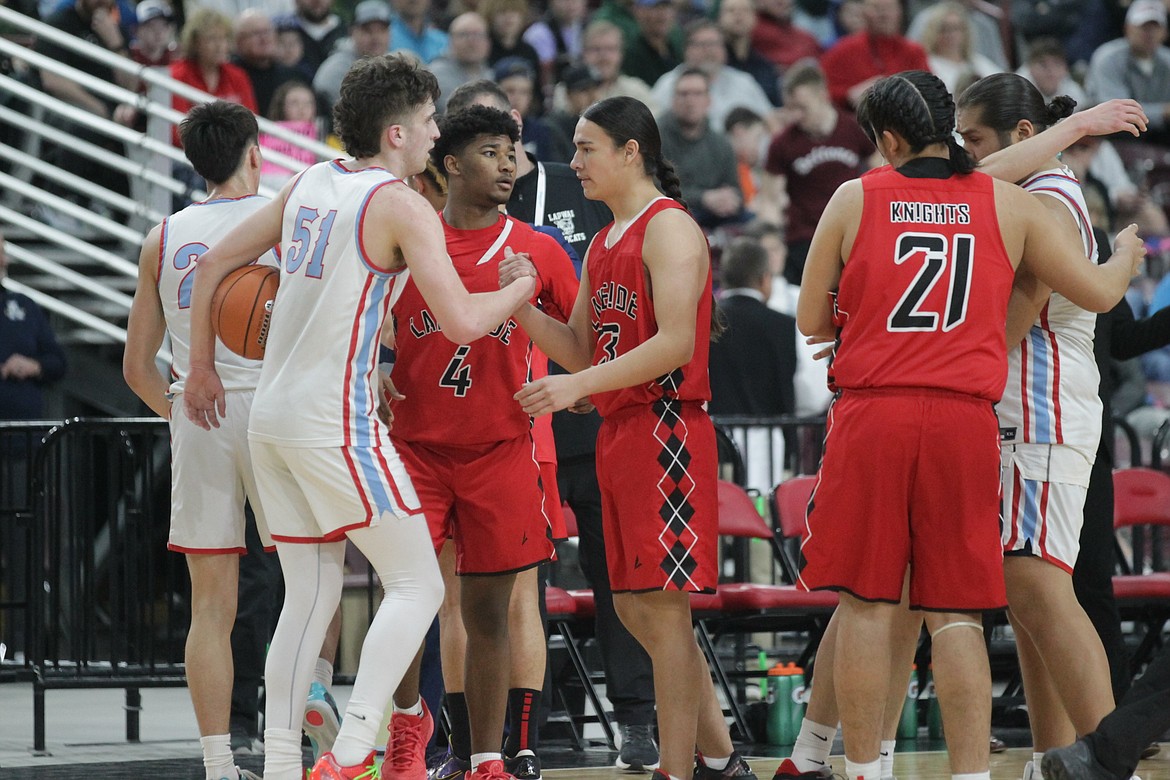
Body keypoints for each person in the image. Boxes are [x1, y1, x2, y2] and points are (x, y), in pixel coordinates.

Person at [181, 54, 535, 780]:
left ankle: (284, 764)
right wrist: (522, 288)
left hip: (270, 418)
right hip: (332, 422)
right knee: (420, 586)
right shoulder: (400, 204)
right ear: (399, 132)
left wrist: (203, 367)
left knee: (307, 598)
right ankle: (352, 753)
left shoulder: (310, 176)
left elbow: (213, 265)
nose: (439, 134)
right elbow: (464, 321)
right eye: (433, 121)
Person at [794, 70, 1144, 780]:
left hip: (880, 410)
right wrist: (1131, 250)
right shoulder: (1002, 203)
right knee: (957, 611)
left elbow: (808, 321)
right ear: (950, 128)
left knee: (868, 606)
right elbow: (1103, 291)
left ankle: (860, 768)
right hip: (966, 418)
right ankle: (973, 774)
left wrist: (862, 321)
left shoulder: (856, 195)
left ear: (888, 139)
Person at [506, 94, 757, 780]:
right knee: (644, 615)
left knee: (662, 616)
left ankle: (681, 769)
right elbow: (582, 350)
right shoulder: (604, 240)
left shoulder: (668, 229)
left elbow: (677, 343)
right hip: (623, 433)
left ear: (630, 151)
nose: (575, 162)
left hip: (667, 429)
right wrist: (520, 305)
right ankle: (724, 762)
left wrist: (576, 388)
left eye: (588, 148)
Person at [442, 80, 660, 775]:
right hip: (506, 422)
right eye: (485, 136)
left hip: (583, 414)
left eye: (509, 130)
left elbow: (593, 321)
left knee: (619, 577)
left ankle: (636, 720)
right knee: (501, 596)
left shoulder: (577, 188)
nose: (504, 149)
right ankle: (491, 738)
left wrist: (590, 380)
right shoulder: (435, 219)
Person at [384, 104, 577, 780]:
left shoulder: (539, 251)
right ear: (452, 163)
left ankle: (489, 758)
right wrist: (375, 370)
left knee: (489, 610)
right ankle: (408, 727)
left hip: (501, 449)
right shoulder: (409, 241)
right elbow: (364, 327)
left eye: (512, 152)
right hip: (416, 449)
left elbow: (581, 348)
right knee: (409, 601)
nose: (508, 165)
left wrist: (565, 381)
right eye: (492, 152)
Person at [954, 73, 1123, 780]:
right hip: (1027, 407)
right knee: (1027, 591)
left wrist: (951, 366)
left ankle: (1105, 758)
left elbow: (1018, 314)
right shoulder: (1025, 189)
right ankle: (1055, 760)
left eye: (975, 138)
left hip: (1041, 405)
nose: (965, 153)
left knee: (1040, 586)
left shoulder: (1045, 198)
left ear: (1024, 137)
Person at [122, 100, 274, 780]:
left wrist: (179, 415)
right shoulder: (283, 220)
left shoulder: (164, 235)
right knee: (310, 587)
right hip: (273, 412)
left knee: (211, 606)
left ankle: (218, 763)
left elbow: (135, 366)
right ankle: (294, 747)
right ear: (254, 151)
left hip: (200, 414)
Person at [763, 60, 875, 286]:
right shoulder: (783, 143)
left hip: (852, 231)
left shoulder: (853, 130)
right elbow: (769, 197)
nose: (795, 115)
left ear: (823, 95)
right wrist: (773, 233)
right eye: (790, 108)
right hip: (805, 237)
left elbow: (880, 172)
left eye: (802, 107)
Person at [708, 236, 797, 493]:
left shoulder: (706, 321)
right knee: (762, 511)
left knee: (722, 516)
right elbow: (797, 389)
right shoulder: (783, 325)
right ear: (764, 279)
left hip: (716, 437)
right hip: (767, 439)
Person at [658, 68, 746, 230]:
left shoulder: (721, 143)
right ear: (673, 100)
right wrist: (704, 198)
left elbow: (737, 191)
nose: (690, 101)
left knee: (752, 222)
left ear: (708, 100)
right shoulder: (656, 137)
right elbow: (656, 190)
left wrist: (730, 199)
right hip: (672, 214)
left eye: (697, 94)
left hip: (716, 215)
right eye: (683, 94)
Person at [650, 19, 775, 131]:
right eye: (702, 45)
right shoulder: (669, 83)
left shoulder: (743, 82)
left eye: (714, 44)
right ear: (686, 49)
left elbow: (770, 121)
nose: (709, 51)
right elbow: (652, 128)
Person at [1085, 0, 1170, 146]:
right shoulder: (1107, 58)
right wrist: (1163, 112)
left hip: (1158, 133)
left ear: (1165, 33)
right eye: (1143, 27)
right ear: (1127, 28)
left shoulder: (1167, 60)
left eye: (1155, 27)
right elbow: (1117, 112)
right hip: (1113, 136)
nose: (1149, 33)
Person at [818, 0, 929, 110]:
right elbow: (819, 91)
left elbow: (929, 93)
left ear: (900, 12)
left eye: (889, 8)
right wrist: (848, 95)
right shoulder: (842, 51)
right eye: (877, 9)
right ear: (864, 13)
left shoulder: (914, 51)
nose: (884, 15)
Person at [313, 0, 392, 115]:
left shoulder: (396, 62)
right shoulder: (336, 69)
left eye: (381, 30)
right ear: (352, 32)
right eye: (368, 30)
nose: (376, 37)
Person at [233, 10, 305, 121]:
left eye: (267, 32)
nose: (264, 38)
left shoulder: (292, 75)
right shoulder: (230, 75)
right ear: (239, 41)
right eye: (256, 33)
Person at [427, 12, 493, 113]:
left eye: (478, 35)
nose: (472, 42)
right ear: (450, 40)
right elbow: (455, 111)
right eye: (464, 35)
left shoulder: (489, 73)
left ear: (488, 41)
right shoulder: (437, 73)